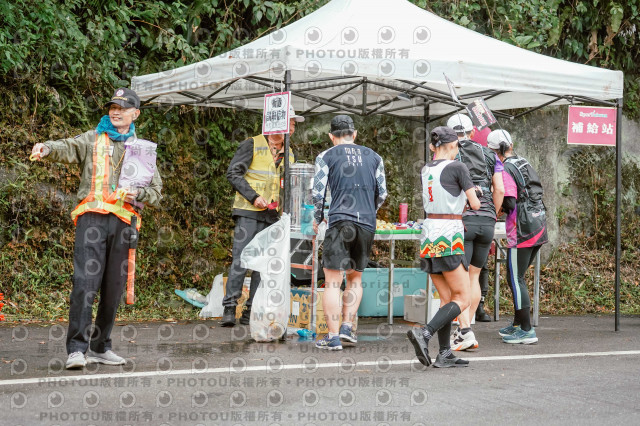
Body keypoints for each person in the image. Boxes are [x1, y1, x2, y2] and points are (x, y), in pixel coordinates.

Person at [30, 87, 162, 369]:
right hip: (92, 218)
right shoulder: (93, 138)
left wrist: (138, 194)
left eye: (122, 108)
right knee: (84, 284)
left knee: (113, 289)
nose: (115, 112)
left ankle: (101, 347)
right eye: (113, 107)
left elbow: (156, 191)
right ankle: (77, 350)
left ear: (135, 114)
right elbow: (68, 147)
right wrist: (47, 148)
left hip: (124, 222)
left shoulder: (142, 149)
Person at [221, 106, 304, 327]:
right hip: (248, 212)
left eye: (294, 125)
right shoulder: (252, 144)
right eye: (290, 123)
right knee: (241, 259)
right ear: (276, 123)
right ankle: (229, 308)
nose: (292, 128)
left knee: (264, 265)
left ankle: (251, 310)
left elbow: (290, 186)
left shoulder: (290, 153)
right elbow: (233, 173)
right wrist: (254, 197)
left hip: (273, 215)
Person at [311, 115, 387, 350]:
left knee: (333, 281)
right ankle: (347, 328)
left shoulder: (326, 156)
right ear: (354, 134)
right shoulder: (375, 157)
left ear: (331, 136)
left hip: (339, 221)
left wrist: (318, 217)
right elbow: (382, 193)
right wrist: (368, 211)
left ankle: (333, 337)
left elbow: (318, 193)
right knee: (355, 278)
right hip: (366, 223)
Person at [407, 126, 481, 368]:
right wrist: (475, 193)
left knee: (446, 298)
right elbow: (475, 204)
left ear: (433, 146)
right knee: (463, 298)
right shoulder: (458, 167)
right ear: (452, 145)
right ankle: (425, 333)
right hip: (449, 236)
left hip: (429, 235)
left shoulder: (426, 169)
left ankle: (445, 353)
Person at [446, 113, 505, 350]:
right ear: (472, 132)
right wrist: (493, 213)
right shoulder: (491, 155)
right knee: (474, 276)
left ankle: (464, 331)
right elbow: (499, 189)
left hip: (463, 220)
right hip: (487, 220)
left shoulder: (450, 154)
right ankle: (468, 326)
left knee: (460, 279)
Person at [487, 129, 548, 344]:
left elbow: (510, 201)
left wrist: (496, 206)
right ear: (511, 145)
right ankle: (516, 324)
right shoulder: (523, 162)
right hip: (538, 224)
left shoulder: (505, 169)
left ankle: (527, 330)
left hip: (521, 229)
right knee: (515, 276)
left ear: (494, 151)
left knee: (516, 278)